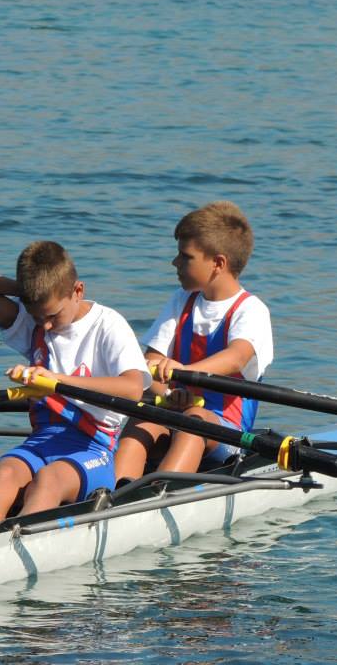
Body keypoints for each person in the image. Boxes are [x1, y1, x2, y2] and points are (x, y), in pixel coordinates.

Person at [0, 240, 150, 526]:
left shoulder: (108, 325)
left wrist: (56, 381)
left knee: (49, 478)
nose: (44, 326)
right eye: (37, 316)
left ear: (78, 291)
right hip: (42, 440)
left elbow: (133, 389)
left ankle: (15, 539)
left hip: (93, 449)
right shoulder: (33, 321)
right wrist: (30, 289)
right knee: (5, 471)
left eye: (52, 316)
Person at [114, 201, 273, 480]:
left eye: (185, 256)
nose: (175, 263)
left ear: (218, 263)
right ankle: (113, 493)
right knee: (142, 419)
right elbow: (150, 363)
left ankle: (162, 493)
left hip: (227, 433)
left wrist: (184, 372)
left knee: (194, 422)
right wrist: (167, 393)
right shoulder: (181, 301)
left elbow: (236, 357)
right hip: (176, 411)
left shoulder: (251, 310)